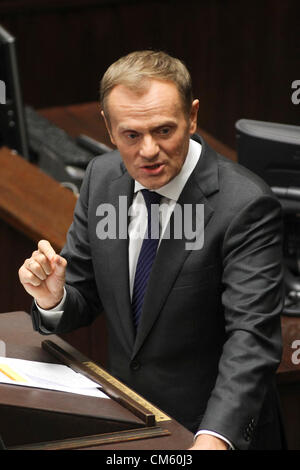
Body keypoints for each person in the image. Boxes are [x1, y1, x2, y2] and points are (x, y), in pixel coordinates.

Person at [19, 50, 285, 450]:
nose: (148, 151)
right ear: (108, 127)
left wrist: (213, 438)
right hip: (133, 425)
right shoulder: (102, 178)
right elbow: (84, 294)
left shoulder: (245, 205)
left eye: (164, 131)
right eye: (131, 135)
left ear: (192, 117)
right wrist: (53, 297)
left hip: (209, 431)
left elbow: (251, 339)